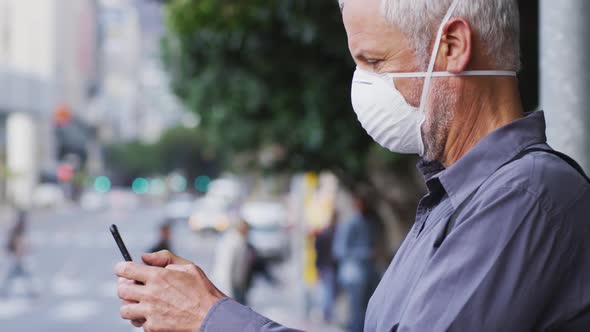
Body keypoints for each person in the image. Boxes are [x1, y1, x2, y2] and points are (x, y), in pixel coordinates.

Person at [114, 0, 590, 330]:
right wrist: (205, 311)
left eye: (374, 60)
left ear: (453, 47)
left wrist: (209, 316)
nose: (362, 87)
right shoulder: (454, 199)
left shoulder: (528, 195)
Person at [333, 198, 375, 332]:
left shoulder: (370, 222)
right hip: (354, 274)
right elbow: (340, 250)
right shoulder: (350, 223)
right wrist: (365, 253)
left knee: (367, 308)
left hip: (368, 273)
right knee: (357, 309)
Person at [209, 219, 250, 304]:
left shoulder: (240, 241)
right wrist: (229, 293)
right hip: (228, 286)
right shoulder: (232, 242)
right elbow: (226, 267)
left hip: (237, 285)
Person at [0, 209, 36, 298]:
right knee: (21, 275)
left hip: (17, 257)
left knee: (23, 276)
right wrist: (20, 252)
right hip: (16, 258)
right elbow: (16, 242)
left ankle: (30, 292)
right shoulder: (18, 228)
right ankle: (4, 292)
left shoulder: (19, 228)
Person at [314, 212, 338, 324]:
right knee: (327, 290)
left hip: (323, 265)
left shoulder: (323, 234)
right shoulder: (335, 234)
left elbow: (317, 250)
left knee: (325, 290)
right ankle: (327, 314)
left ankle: (326, 313)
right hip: (330, 266)